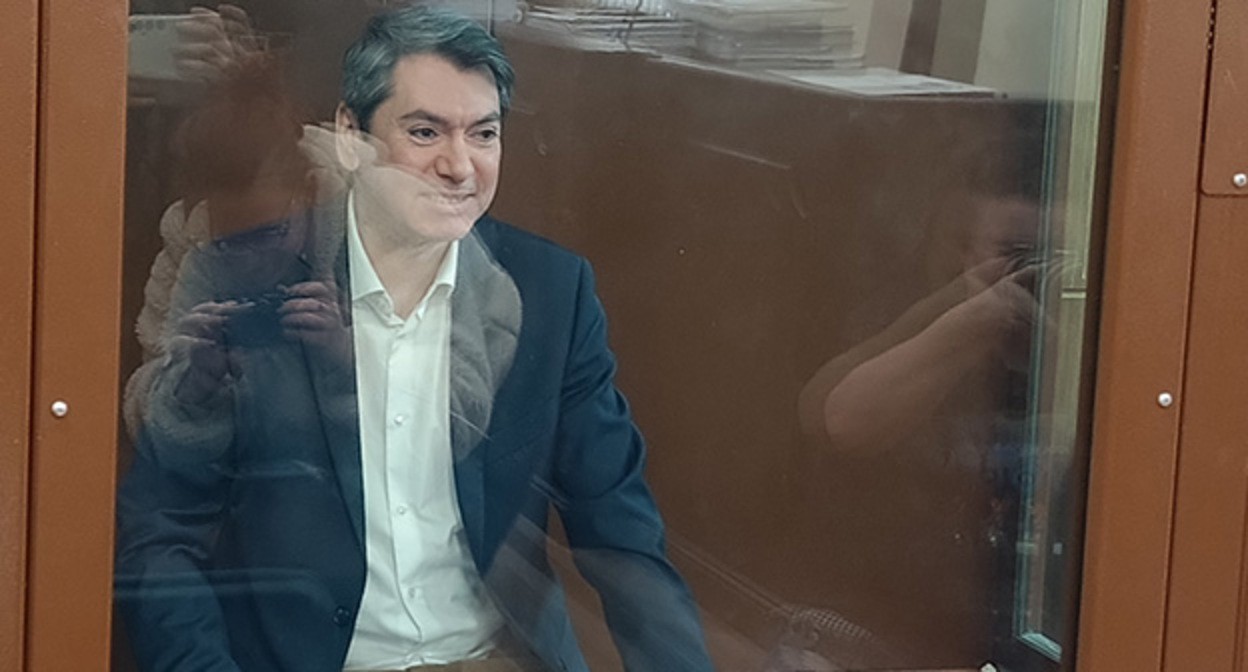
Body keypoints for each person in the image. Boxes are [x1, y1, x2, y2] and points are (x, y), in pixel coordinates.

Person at [115, 6, 714, 672]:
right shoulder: (242, 277)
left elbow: (619, 528)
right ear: (352, 137)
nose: (459, 166)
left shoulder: (550, 293)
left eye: (484, 134)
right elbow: (161, 534)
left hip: (493, 656)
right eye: (425, 132)